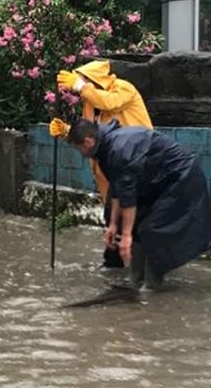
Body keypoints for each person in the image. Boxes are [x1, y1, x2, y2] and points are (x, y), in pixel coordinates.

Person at [63, 118, 211, 290]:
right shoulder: (105, 148)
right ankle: (135, 280)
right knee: (136, 226)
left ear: (88, 142)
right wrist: (113, 225)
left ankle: (151, 286)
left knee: (152, 229)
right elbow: (117, 190)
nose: (79, 152)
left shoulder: (119, 149)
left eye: (78, 148)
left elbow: (128, 197)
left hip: (181, 179)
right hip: (156, 181)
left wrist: (126, 236)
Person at [56, 61, 152, 268]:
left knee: (130, 218)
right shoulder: (90, 105)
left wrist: (81, 86)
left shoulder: (123, 88)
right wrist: (66, 132)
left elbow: (111, 103)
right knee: (115, 219)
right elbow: (90, 137)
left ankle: (125, 266)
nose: (79, 87)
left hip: (136, 165)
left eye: (83, 82)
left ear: (95, 81)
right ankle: (122, 268)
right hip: (112, 175)